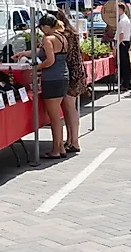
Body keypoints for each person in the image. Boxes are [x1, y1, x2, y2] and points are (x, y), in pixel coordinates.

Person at [16, 14, 70, 159]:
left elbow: (50, 60)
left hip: (52, 78)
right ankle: (60, 148)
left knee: (54, 117)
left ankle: (56, 150)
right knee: (57, 116)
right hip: (63, 77)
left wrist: (36, 68)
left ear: (46, 26)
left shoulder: (48, 39)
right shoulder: (62, 37)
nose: (41, 30)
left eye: (41, 27)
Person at [54, 9, 86, 153]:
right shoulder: (71, 33)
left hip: (70, 73)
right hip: (76, 71)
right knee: (69, 109)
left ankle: (74, 141)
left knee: (69, 108)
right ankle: (71, 140)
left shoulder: (63, 35)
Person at [118, 3, 131, 92]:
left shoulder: (123, 20)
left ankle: (125, 83)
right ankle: (126, 83)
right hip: (125, 42)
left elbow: (121, 34)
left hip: (123, 43)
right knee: (125, 64)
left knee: (124, 64)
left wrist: (117, 45)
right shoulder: (124, 19)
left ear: (121, 9)